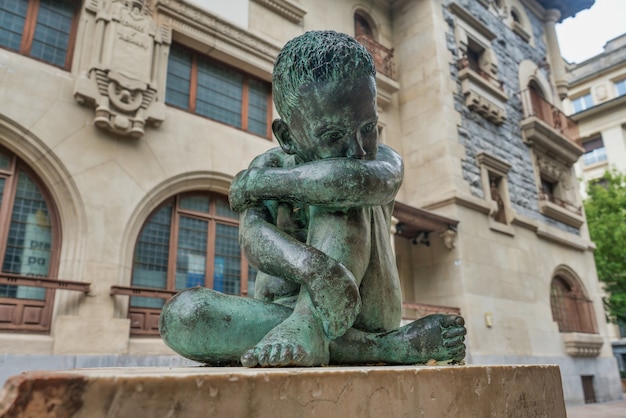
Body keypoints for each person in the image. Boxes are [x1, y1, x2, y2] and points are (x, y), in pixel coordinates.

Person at [160, 30, 466, 367]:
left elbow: (346, 180)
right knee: (184, 316)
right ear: (287, 136)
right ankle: (385, 348)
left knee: (343, 192)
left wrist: (259, 185)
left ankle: (310, 324)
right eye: (333, 135)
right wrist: (314, 269)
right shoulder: (269, 164)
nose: (358, 149)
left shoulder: (381, 163)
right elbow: (252, 237)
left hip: (358, 314)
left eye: (368, 128)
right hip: (278, 315)